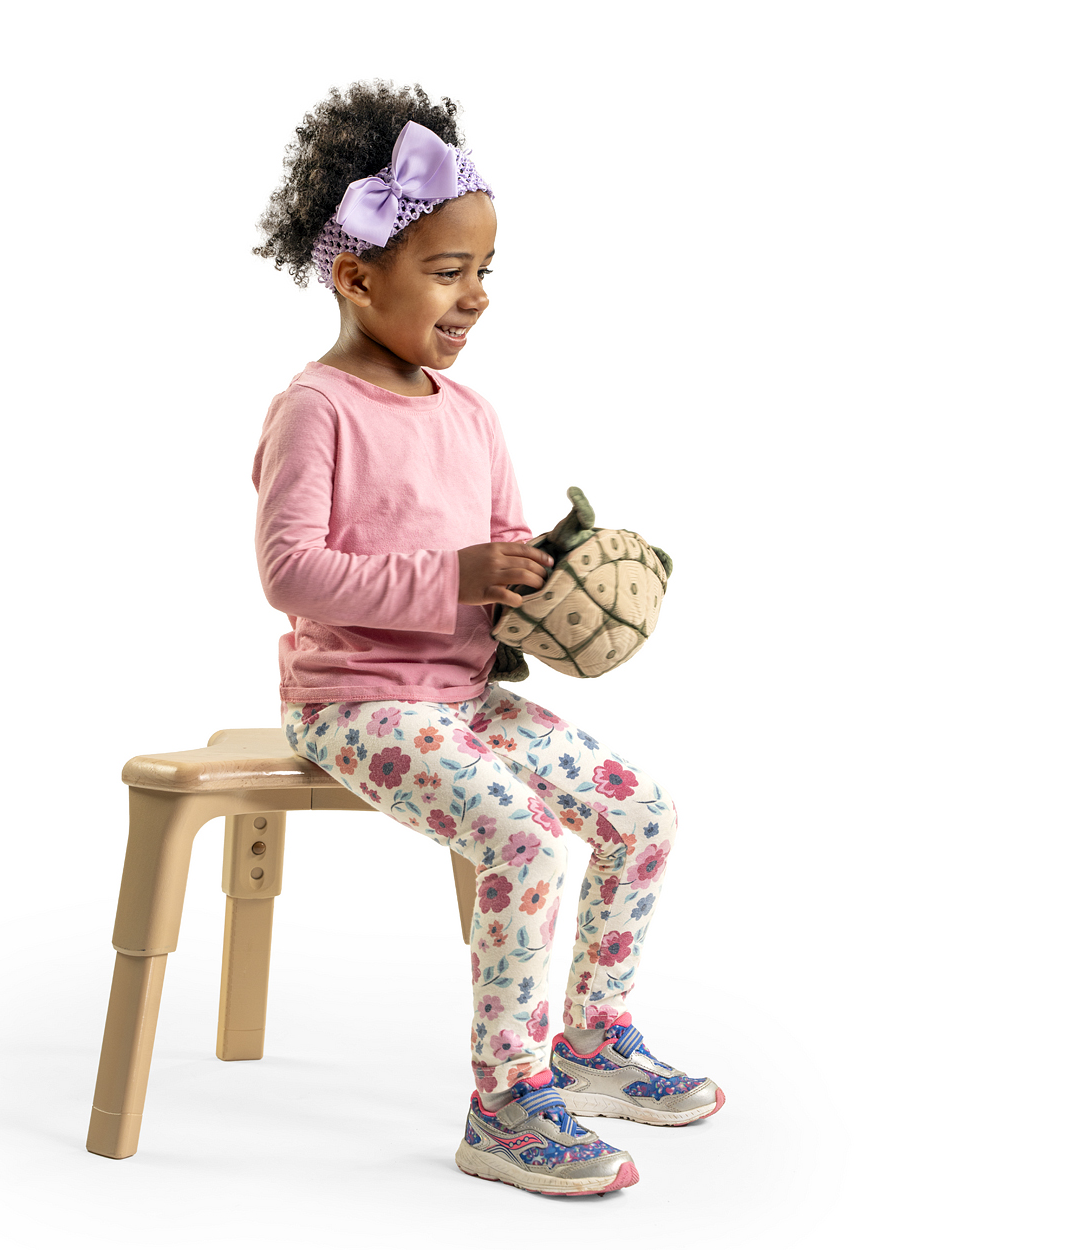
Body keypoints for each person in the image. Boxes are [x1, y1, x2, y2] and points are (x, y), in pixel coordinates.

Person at [250, 81, 723, 1196]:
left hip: (464, 698)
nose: (475, 298)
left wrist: (545, 580)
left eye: (485, 272)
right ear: (358, 276)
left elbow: (498, 543)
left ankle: (593, 1035)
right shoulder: (315, 408)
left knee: (639, 810)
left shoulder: (472, 415)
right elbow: (291, 572)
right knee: (521, 840)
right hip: (355, 702)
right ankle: (505, 1101)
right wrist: (455, 575)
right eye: (448, 272)